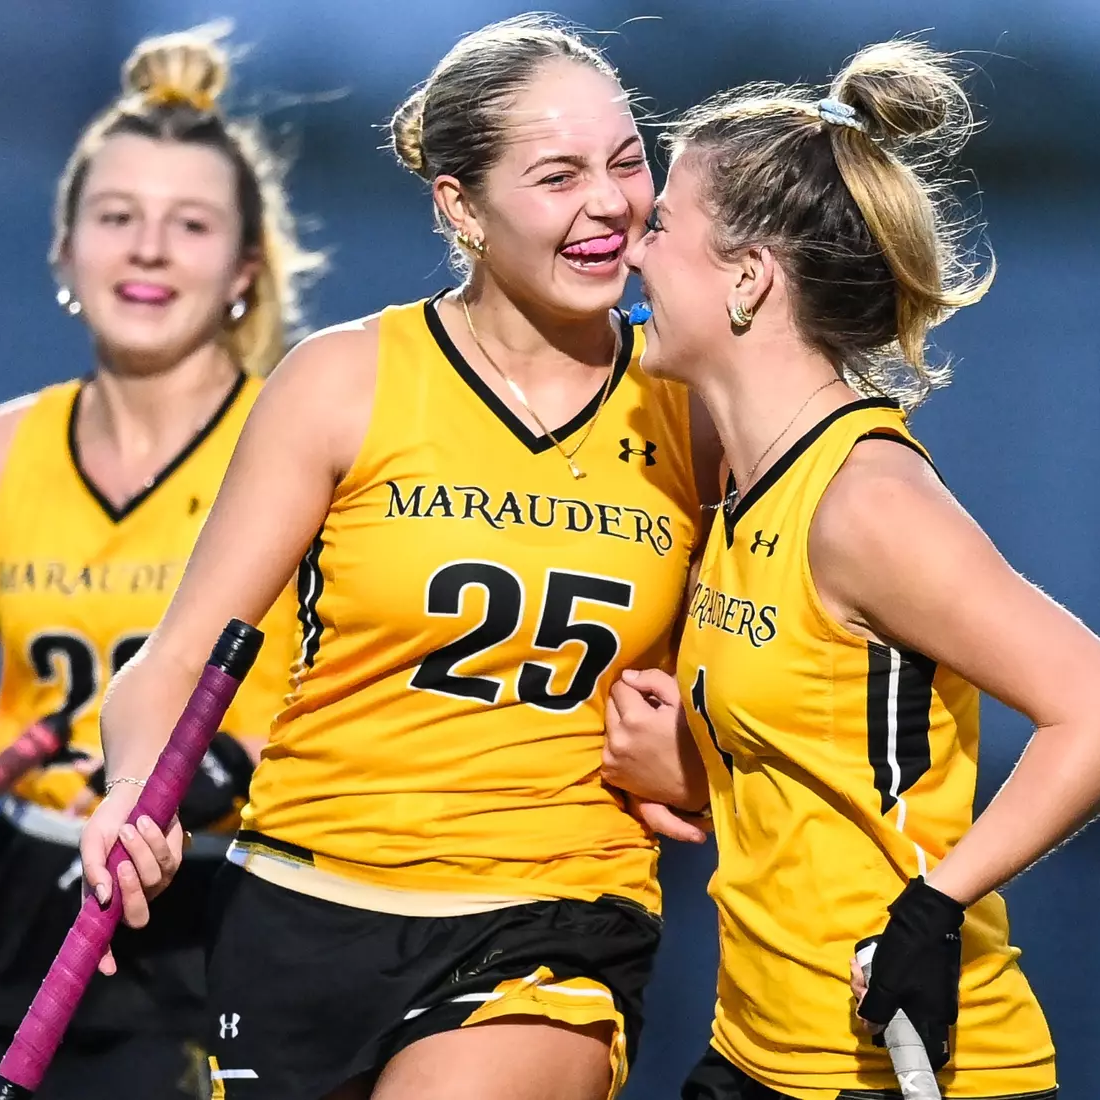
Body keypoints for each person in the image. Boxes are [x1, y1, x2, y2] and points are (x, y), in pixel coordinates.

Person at [79, 15, 713, 1100]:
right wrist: (134, 791)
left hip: (551, 921)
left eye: (624, 163)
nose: (608, 203)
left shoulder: (697, 407)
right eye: (556, 175)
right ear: (458, 204)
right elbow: (175, 659)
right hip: (299, 910)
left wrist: (702, 766)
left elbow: (771, 687)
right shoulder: (343, 380)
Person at [604, 39, 1100, 1100]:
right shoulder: (737, 478)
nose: (633, 248)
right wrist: (695, 765)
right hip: (751, 1053)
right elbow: (835, 754)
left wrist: (935, 906)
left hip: (905, 1069)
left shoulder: (863, 500)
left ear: (747, 277)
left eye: (663, 223)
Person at [0, 25, 319, 1100]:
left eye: (190, 224)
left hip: (227, 909)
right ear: (65, 249)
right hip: (32, 913)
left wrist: (218, 775)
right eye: (117, 218)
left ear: (245, 269)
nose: (149, 250)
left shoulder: (306, 449)